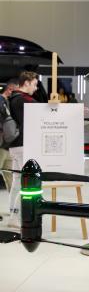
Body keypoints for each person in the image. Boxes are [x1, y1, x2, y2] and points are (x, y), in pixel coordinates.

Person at [8, 71, 38, 228]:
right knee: (25, 183)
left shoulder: (13, 98)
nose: (36, 87)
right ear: (26, 83)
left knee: (17, 182)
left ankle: (13, 214)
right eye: (34, 84)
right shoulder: (24, 100)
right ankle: (15, 216)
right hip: (23, 145)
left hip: (14, 145)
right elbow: (44, 111)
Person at [0, 79, 19, 219]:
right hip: (2, 146)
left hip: (7, 146)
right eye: (15, 91)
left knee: (11, 179)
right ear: (10, 90)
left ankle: (14, 209)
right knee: (10, 178)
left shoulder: (8, 103)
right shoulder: (1, 101)